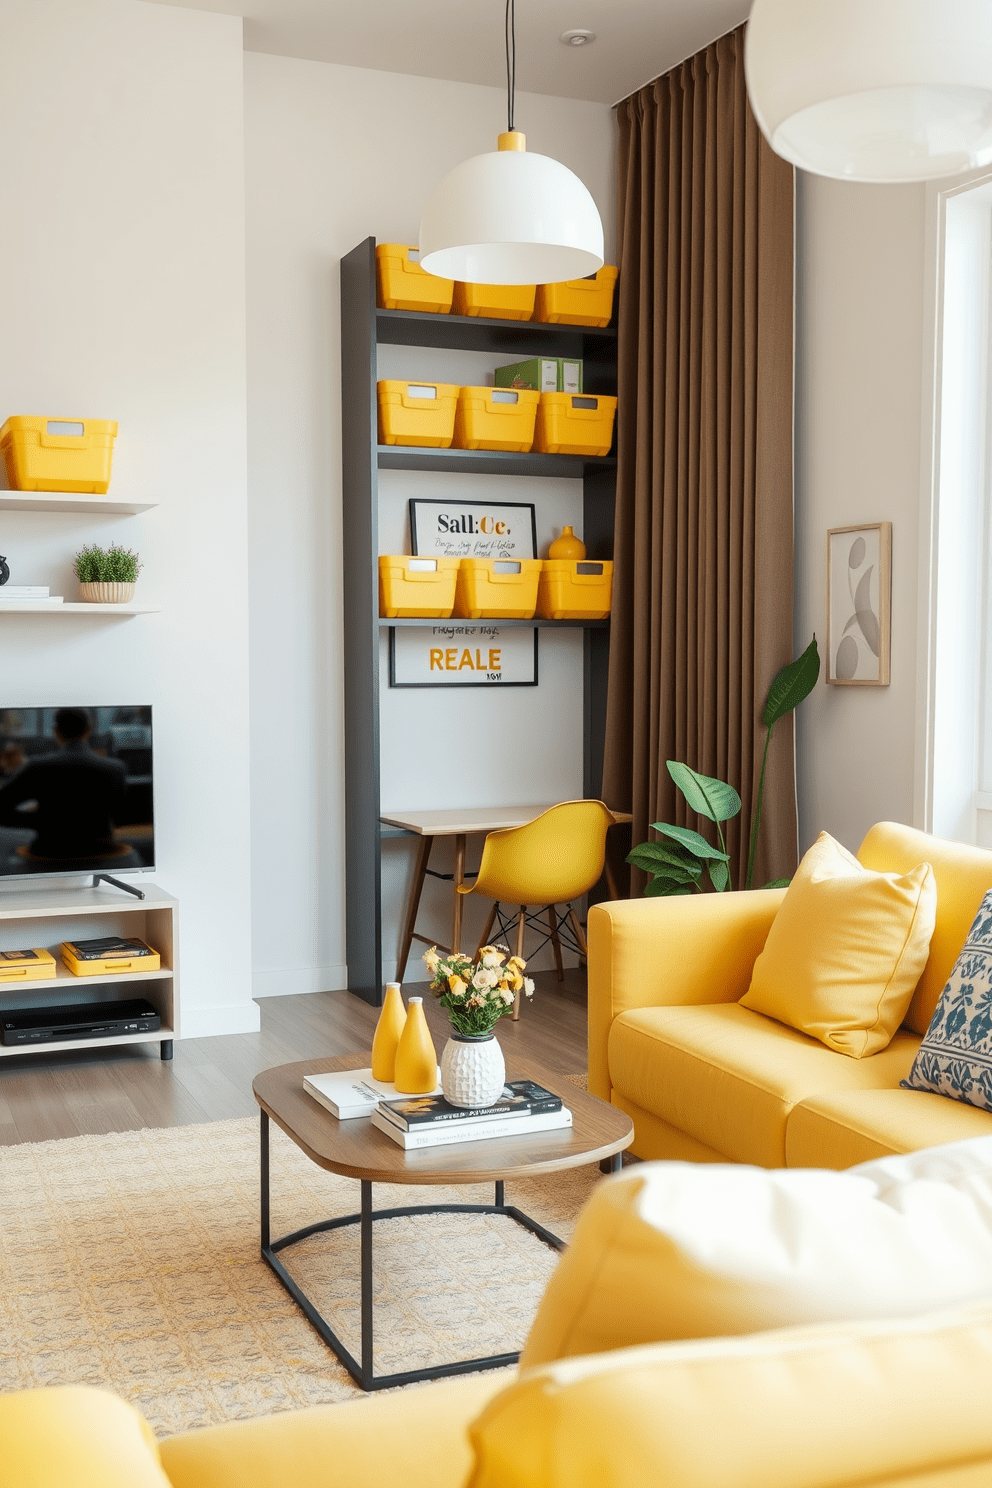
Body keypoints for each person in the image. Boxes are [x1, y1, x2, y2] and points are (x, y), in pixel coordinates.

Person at [0, 707, 127, 863]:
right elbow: (120, 818)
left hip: (49, 851)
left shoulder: (38, 767)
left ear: (56, 732)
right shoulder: (115, 768)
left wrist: (43, 820)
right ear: (88, 730)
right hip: (102, 852)